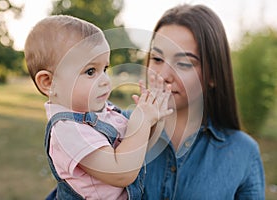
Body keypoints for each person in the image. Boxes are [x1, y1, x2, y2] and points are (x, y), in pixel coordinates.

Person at [24, 15, 173, 199]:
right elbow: (122, 173)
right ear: (48, 82)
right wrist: (140, 122)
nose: (104, 80)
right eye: (90, 71)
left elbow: (138, 147)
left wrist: (153, 117)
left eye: (105, 69)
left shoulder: (101, 112)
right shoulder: (68, 130)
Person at [141, 4, 265, 199]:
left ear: (212, 76)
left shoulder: (244, 152)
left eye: (183, 63)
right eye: (157, 59)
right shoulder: (116, 128)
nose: (163, 75)